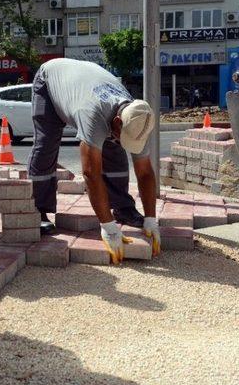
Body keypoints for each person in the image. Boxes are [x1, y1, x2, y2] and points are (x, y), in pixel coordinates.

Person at [27, 58, 161, 264]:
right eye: (120, 133)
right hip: (50, 81)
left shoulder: (138, 117)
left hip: (85, 81)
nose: (123, 140)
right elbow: (91, 173)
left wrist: (151, 219)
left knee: (114, 148)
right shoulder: (90, 113)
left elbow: (144, 172)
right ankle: (38, 210)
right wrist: (108, 227)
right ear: (117, 121)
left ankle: (123, 208)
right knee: (46, 145)